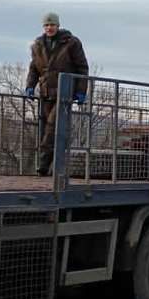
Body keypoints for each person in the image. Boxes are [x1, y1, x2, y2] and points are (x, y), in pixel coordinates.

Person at [25, 12, 89, 176]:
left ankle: (43, 167)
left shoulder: (71, 43)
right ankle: (54, 168)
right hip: (46, 93)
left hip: (64, 93)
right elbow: (34, 68)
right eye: (46, 25)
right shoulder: (38, 45)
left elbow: (82, 67)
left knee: (52, 129)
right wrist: (30, 86)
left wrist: (81, 91)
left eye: (52, 25)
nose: (49, 28)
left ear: (58, 26)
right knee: (47, 129)